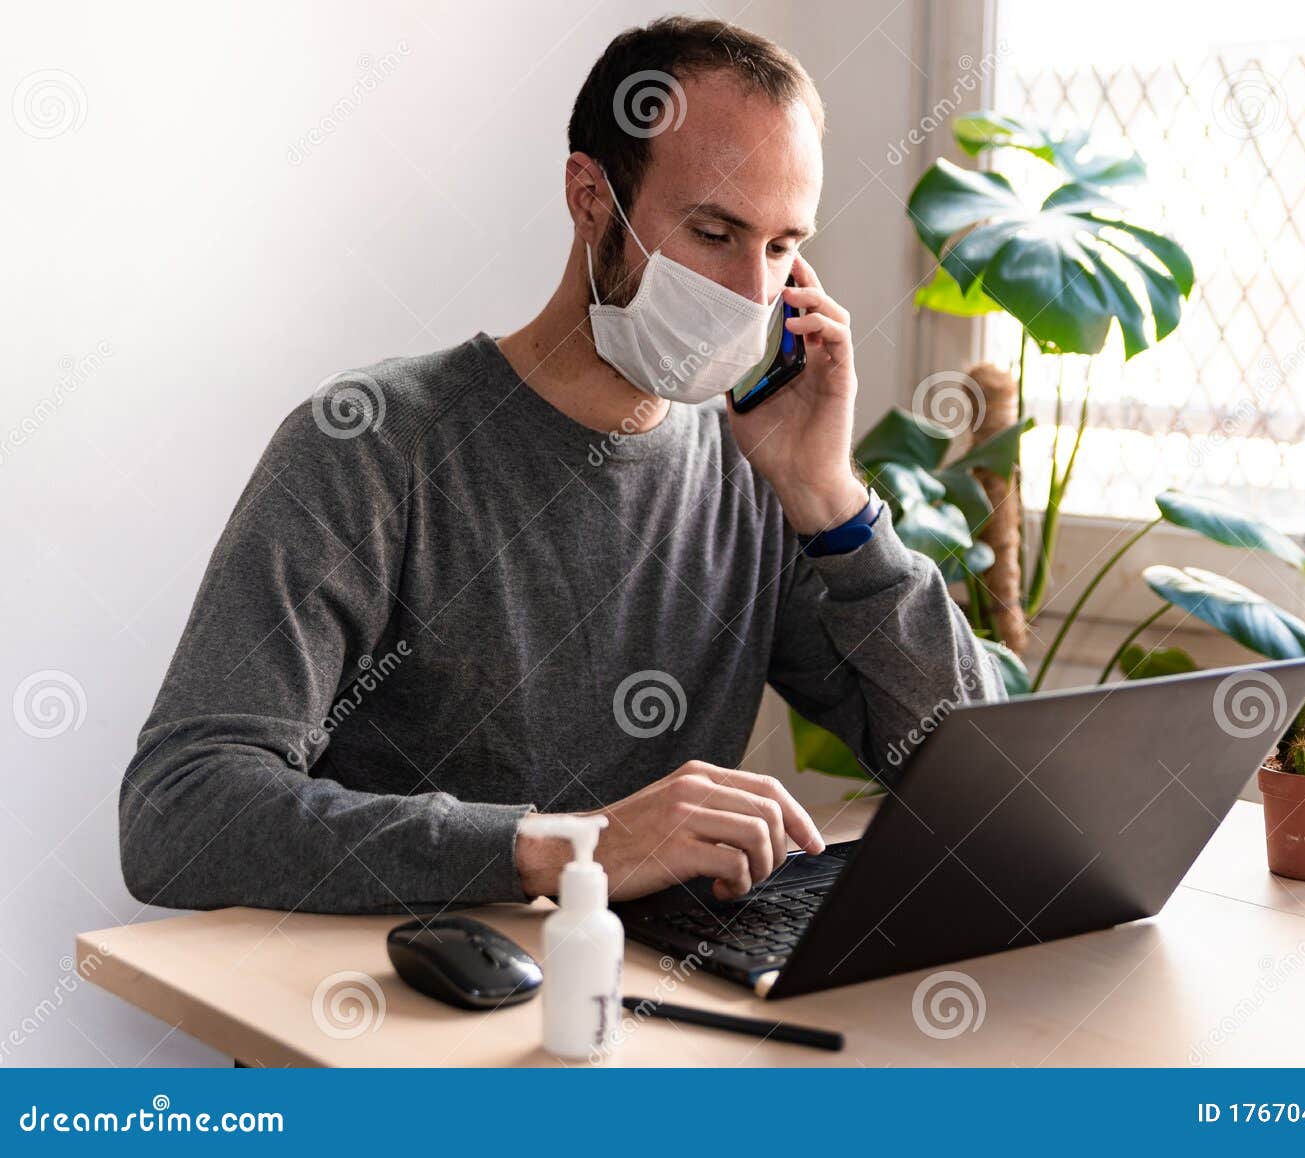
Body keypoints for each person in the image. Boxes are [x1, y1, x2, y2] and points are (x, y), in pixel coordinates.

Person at [119, 16, 1003, 914]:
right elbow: (179, 811)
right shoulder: (372, 445)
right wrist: (567, 850)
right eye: (712, 232)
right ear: (590, 197)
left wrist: (832, 501)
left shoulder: (757, 474)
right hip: (396, 1010)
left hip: (651, 1012)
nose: (750, 294)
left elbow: (987, 785)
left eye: (780, 249)